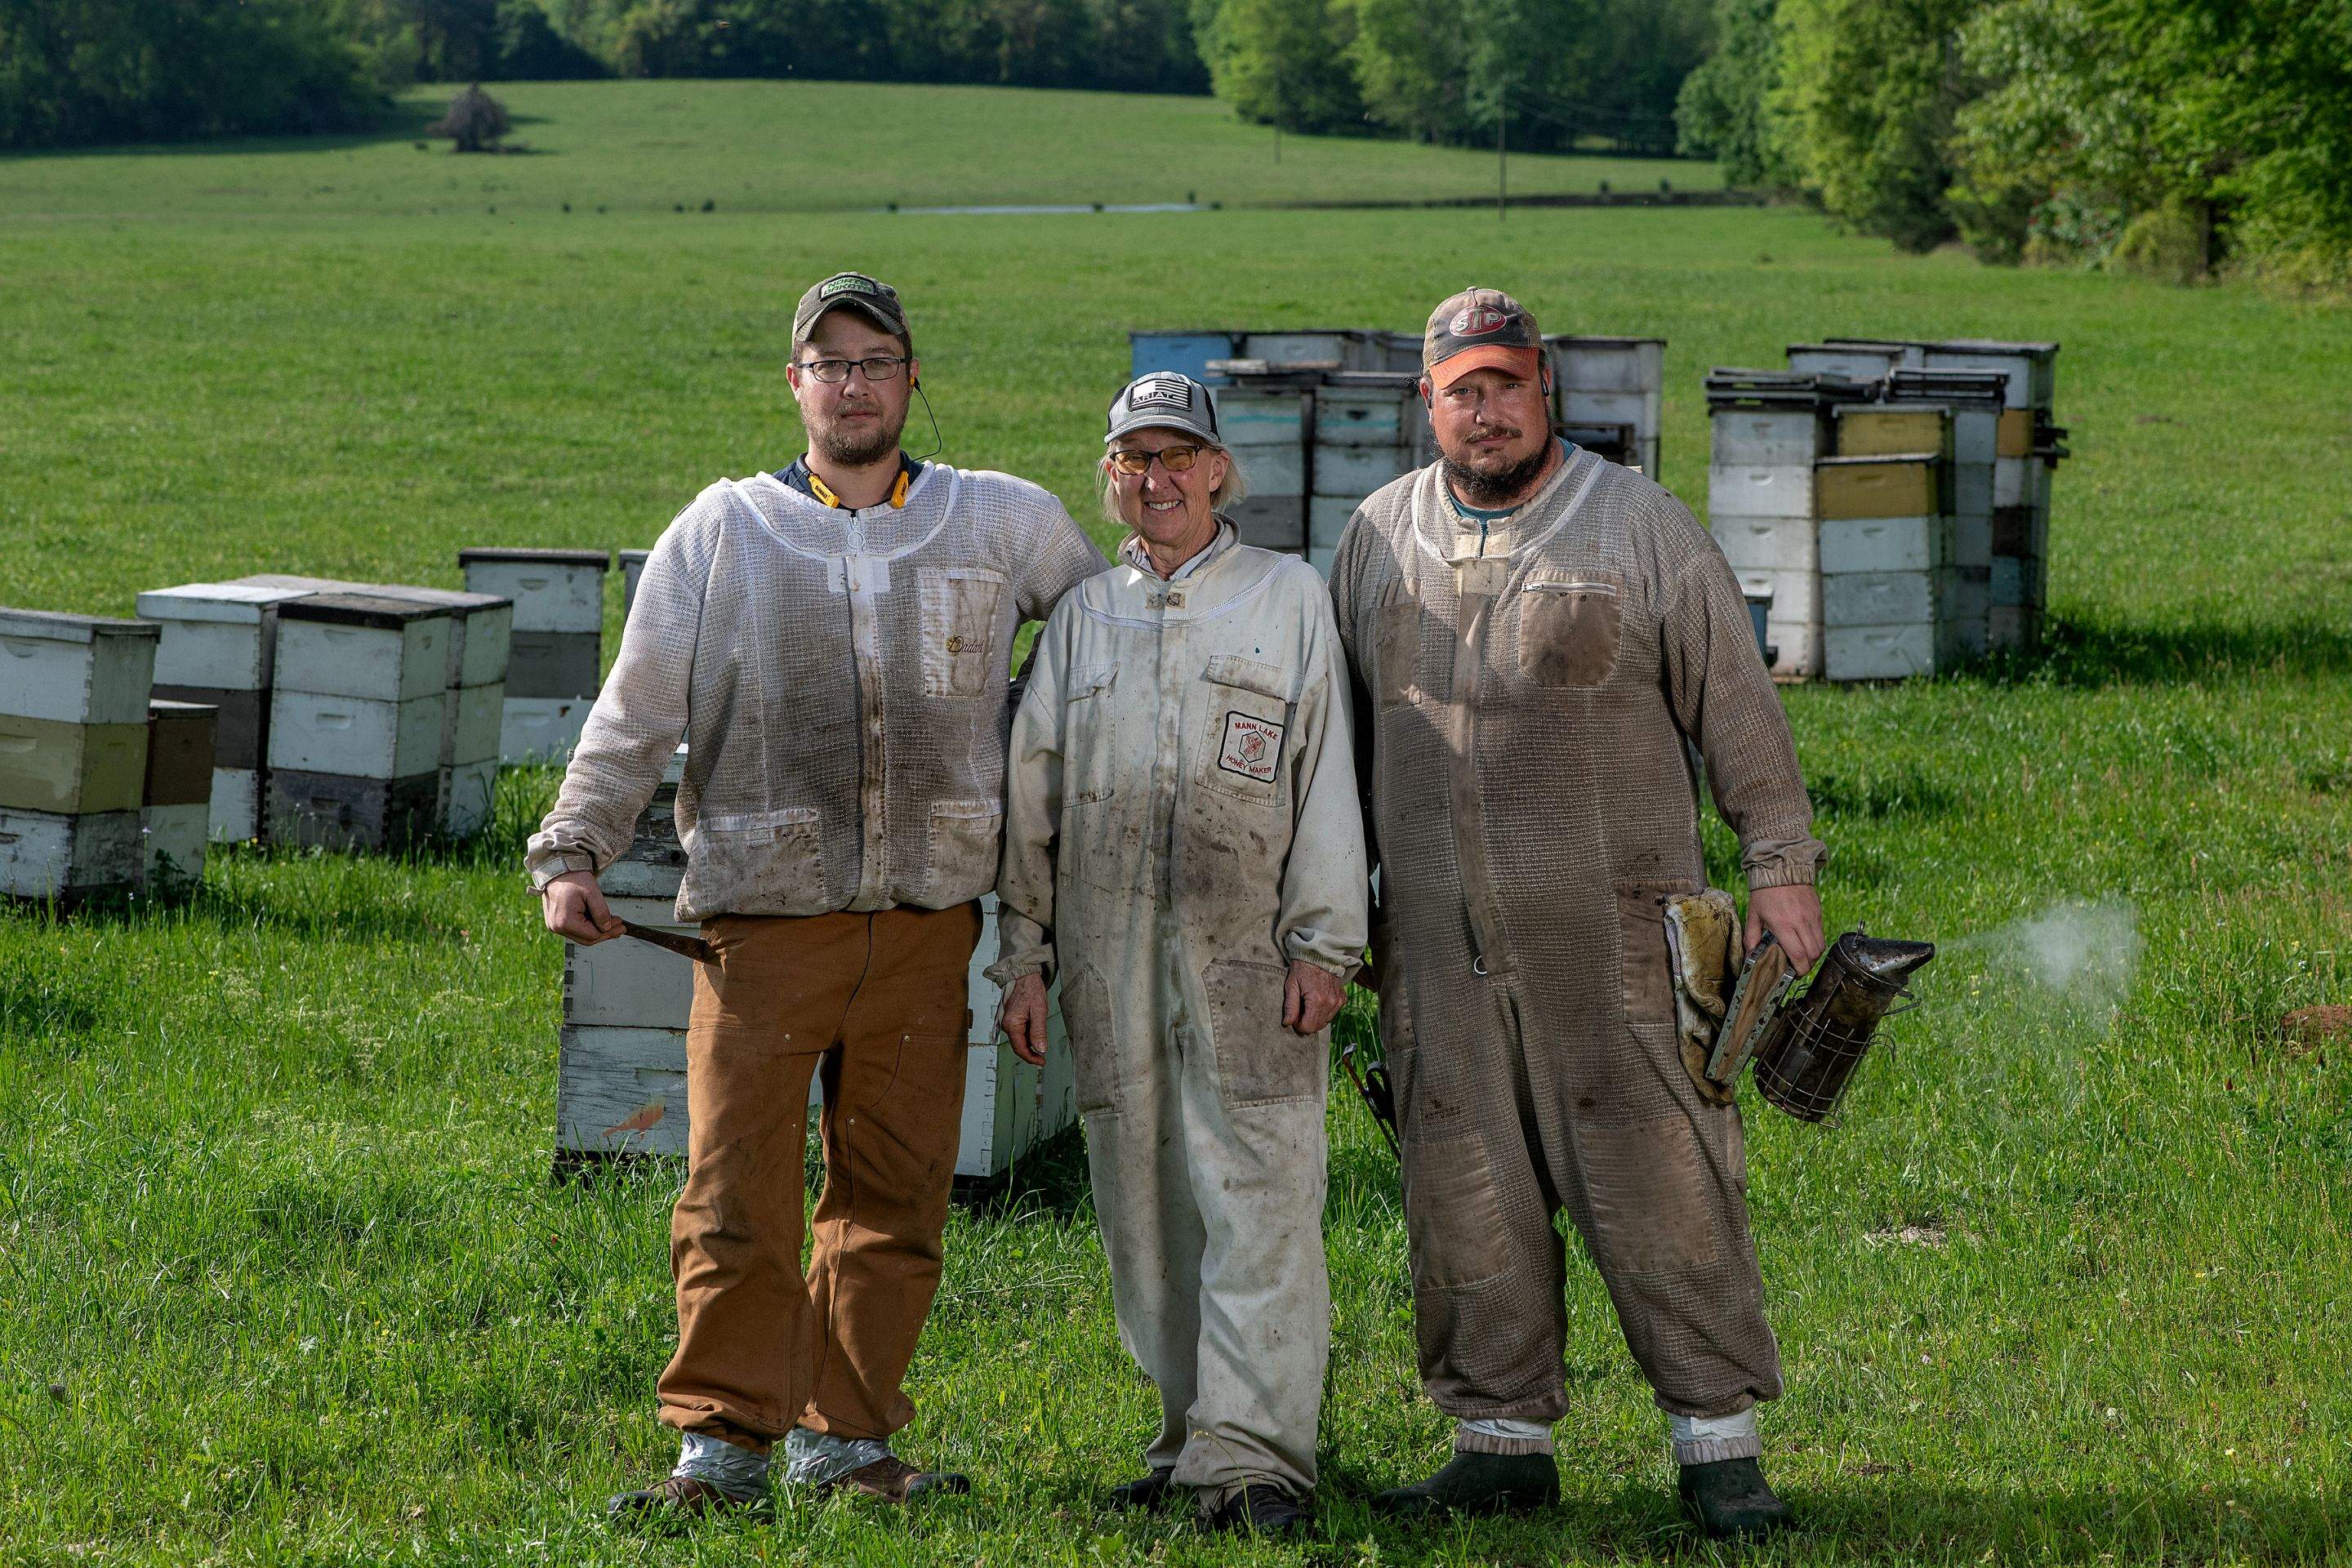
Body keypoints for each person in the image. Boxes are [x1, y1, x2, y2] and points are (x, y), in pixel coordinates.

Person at [528, 271, 1106, 1521]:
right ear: (794, 384)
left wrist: (1021, 727)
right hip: (762, 927)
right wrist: (573, 849)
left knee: (894, 1197)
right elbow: (637, 709)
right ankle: (722, 1450)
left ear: (912, 379)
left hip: (928, 926)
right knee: (736, 1192)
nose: (854, 385)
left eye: (875, 361)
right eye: (829, 364)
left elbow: (1107, 636)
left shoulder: (1000, 520)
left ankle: (845, 1443)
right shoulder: (722, 531)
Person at [1325, 288, 1828, 1538]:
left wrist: (1780, 862)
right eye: (1463, 390)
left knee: (1663, 1189)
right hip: (1433, 950)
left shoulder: (1639, 526)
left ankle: (1719, 1452)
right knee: (1464, 1195)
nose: (1486, 410)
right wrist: (1334, 910)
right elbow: (1334, 740)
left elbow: (1737, 705)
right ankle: (1500, 1441)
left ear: (1544, 385)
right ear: (1428, 400)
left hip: (1617, 945)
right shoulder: (1377, 537)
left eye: (1506, 384)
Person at [991, 372, 1367, 1539]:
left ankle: (1258, 1462)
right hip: (1107, 957)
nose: (1156, 479)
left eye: (1177, 456)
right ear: (1112, 478)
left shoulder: (1288, 598)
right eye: (1133, 459)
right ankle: (1188, 1436)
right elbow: (1032, 794)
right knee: (1143, 1204)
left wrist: (1327, 944)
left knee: (1259, 1200)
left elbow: (1327, 779)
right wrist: (1022, 957)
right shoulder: (1085, 618)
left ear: (1216, 471)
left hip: (1251, 956)